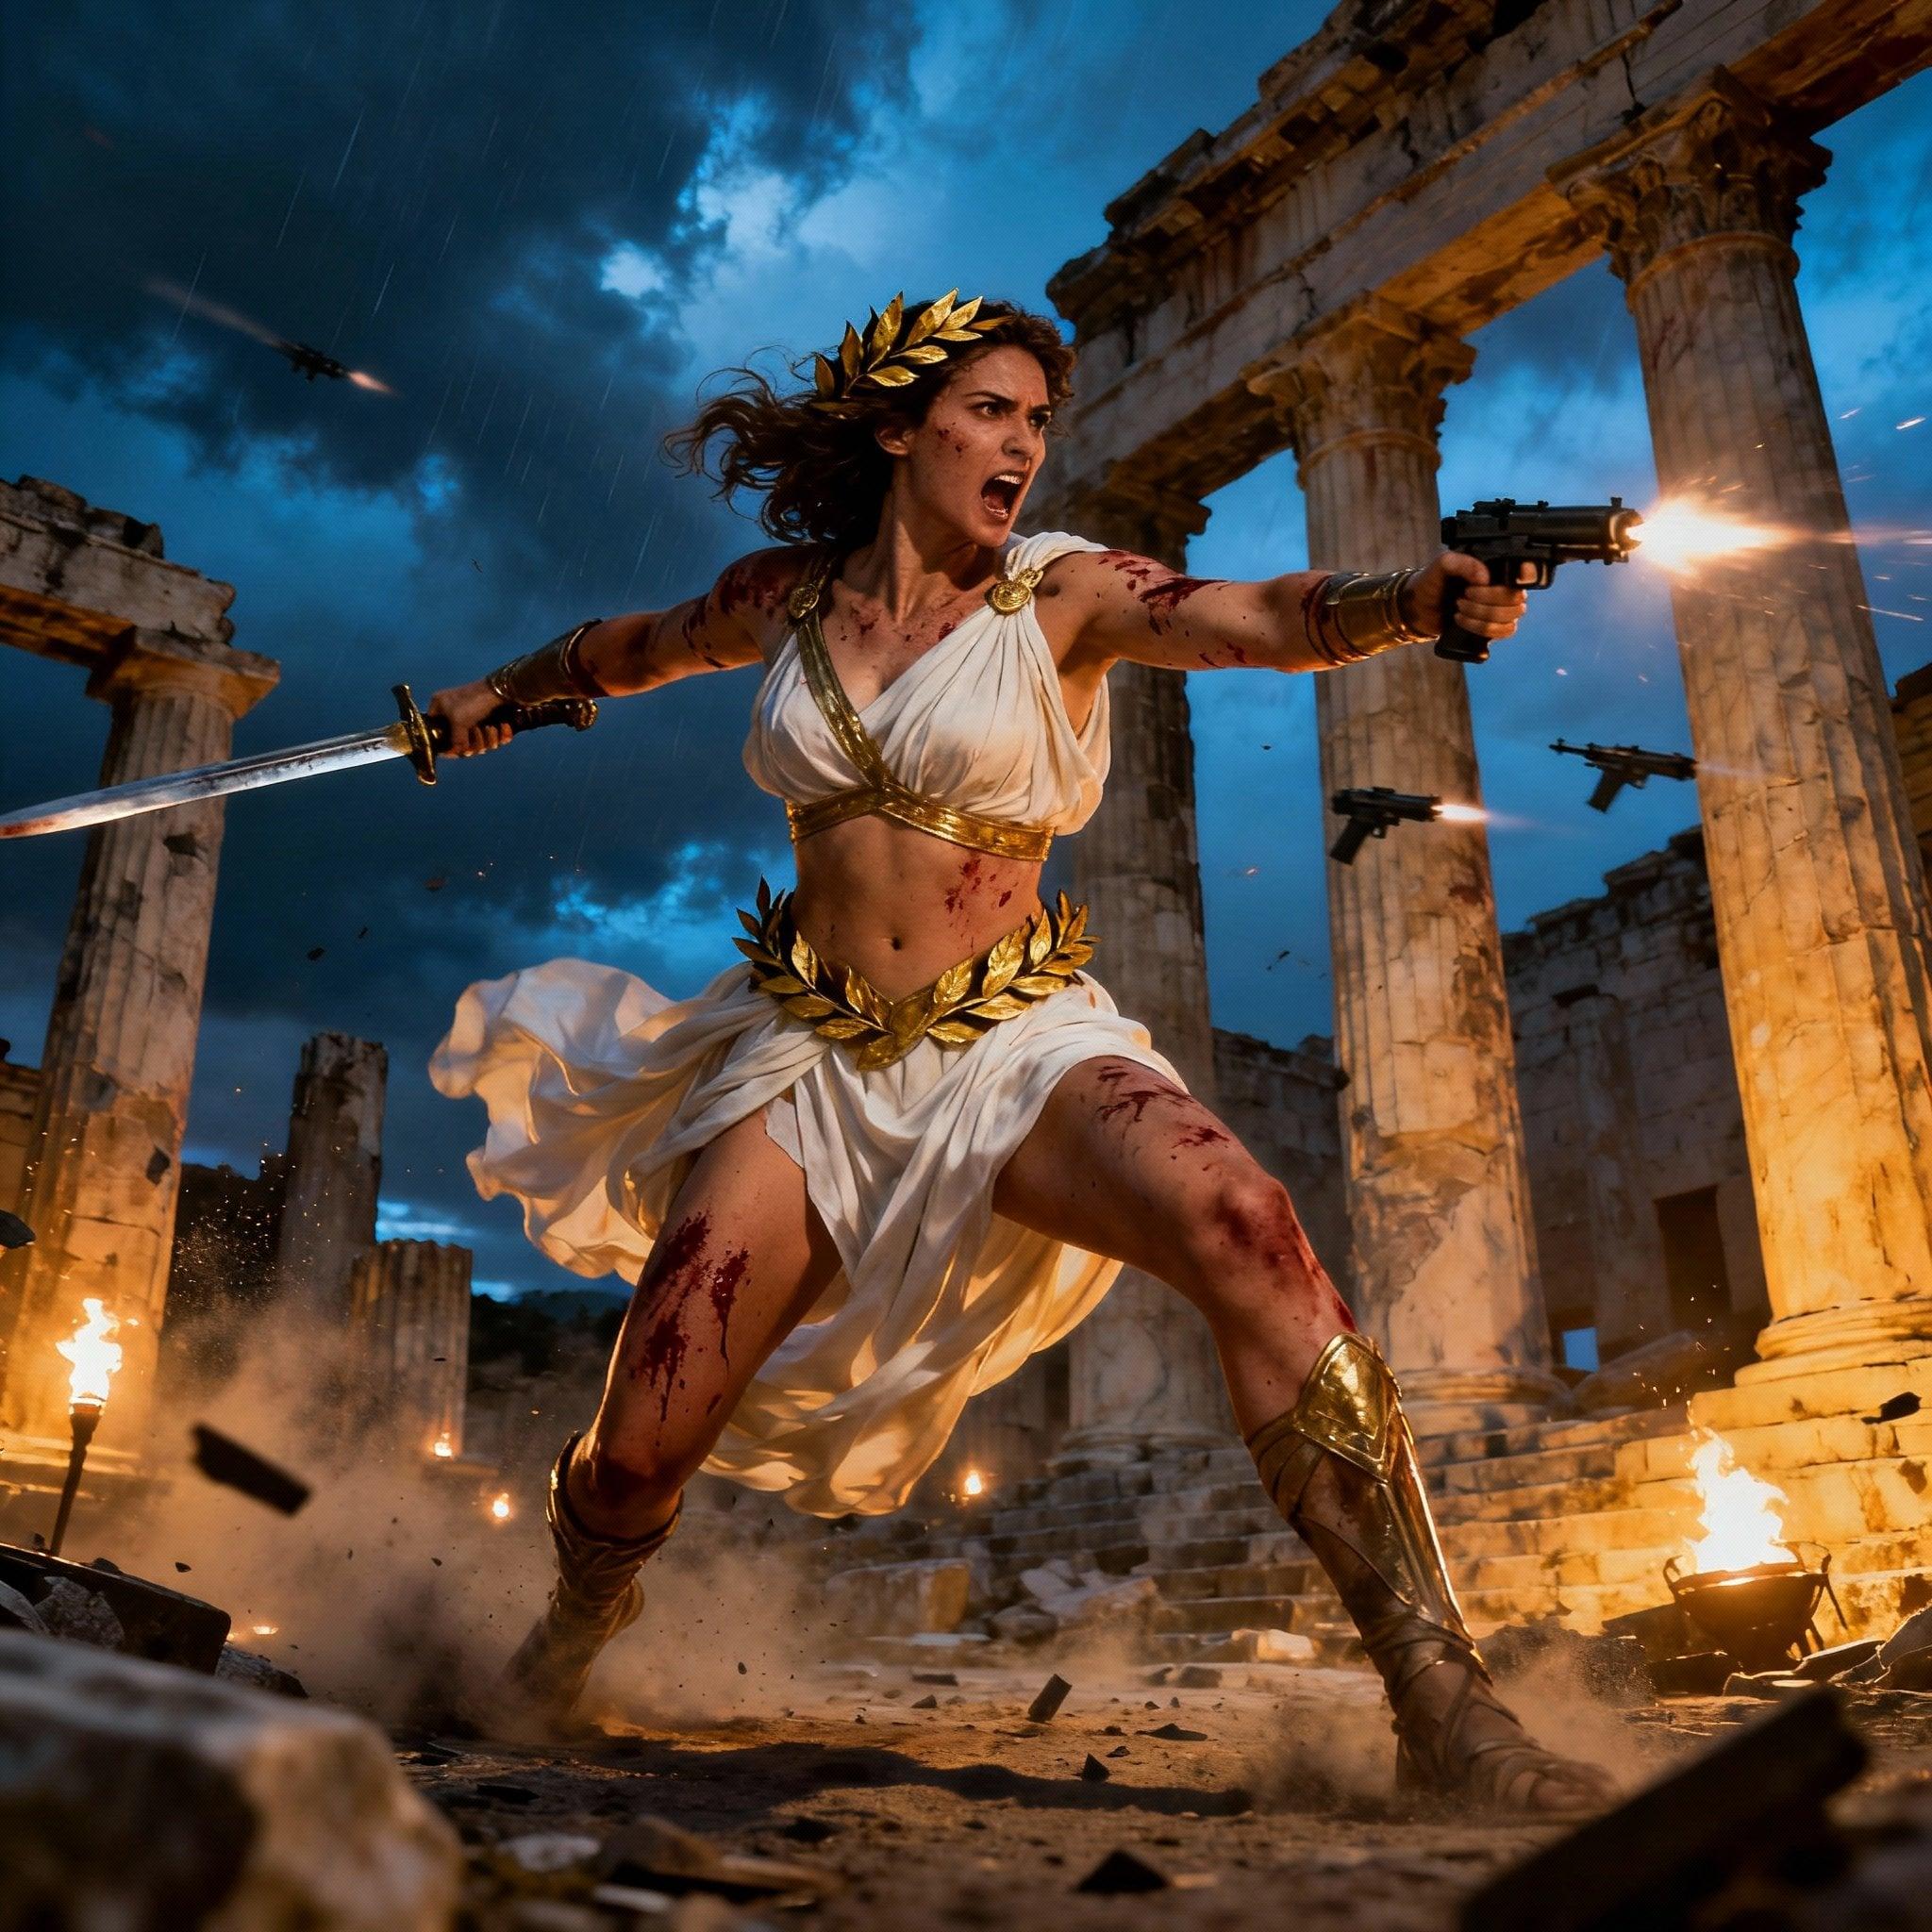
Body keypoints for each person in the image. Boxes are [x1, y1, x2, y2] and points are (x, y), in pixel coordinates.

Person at [427, 291, 1609, 1814]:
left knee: (1244, 1223)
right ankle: (570, 1634)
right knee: (637, 1452)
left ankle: (1444, 1702)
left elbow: (1243, 616)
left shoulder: (1059, 593)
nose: (1025, 446)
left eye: (1038, 421)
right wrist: (499, 698)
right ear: (897, 425)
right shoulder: (785, 597)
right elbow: (629, 647)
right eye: (993, 411)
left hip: (1014, 1036)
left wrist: (1405, 601)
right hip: (810, 1058)